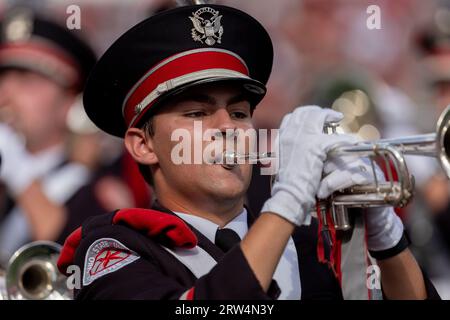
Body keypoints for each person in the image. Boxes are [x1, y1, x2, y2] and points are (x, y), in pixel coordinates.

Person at [57, 4, 440, 300]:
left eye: (239, 112)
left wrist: (386, 235)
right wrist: (289, 200)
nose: (229, 127)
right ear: (143, 145)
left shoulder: (307, 240)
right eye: (197, 113)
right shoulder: (112, 246)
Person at [0, 8, 99, 265]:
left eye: (27, 81)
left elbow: (72, 258)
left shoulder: (94, 189)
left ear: (69, 102)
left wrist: (15, 165)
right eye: (1, 80)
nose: (4, 96)